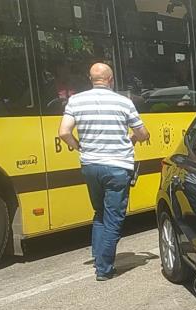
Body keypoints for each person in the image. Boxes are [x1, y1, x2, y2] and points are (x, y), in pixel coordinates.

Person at [58, 63, 149, 281]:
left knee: (99, 213)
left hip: (90, 166)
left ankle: (98, 255)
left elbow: (64, 132)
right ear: (111, 80)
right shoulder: (123, 102)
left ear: (91, 79)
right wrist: (133, 139)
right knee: (114, 218)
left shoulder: (76, 100)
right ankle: (104, 268)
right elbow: (142, 133)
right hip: (117, 167)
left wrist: (79, 147)